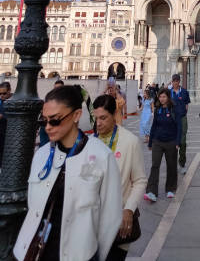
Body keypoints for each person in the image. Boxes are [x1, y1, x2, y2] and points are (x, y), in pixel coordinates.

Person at [14, 85, 122, 261]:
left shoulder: (102, 156)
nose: (48, 127)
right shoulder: (41, 155)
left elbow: (110, 217)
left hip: (79, 254)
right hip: (35, 251)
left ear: (76, 115)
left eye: (55, 120)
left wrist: (92, 252)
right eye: (44, 121)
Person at [93, 95, 147, 261]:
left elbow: (140, 180)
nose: (98, 123)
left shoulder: (130, 142)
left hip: (118, 222)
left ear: (114, 115)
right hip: (92, 221)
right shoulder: (89, 143)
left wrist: (129, 209)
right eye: (96, 118)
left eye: (103, 118)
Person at [144, 88, 182, 202]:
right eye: (160, 97)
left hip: (171, 141)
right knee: (155, 165)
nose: (162, 99)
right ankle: (151, 191)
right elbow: (154, 126)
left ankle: (170, 188)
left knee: (171, 166)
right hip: (158, 141)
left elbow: (179, 126)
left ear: (168, 97)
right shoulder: (158, 109)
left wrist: (178, 142)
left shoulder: (174, 109)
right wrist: (150, 142)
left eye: (164, 97)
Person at [170, 73, 191, 174]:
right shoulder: (169, 92)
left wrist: (184, 113)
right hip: (172, 119)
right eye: (173, 81)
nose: (175, 83)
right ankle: (172, 164)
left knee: (182, 142)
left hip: (182, 118)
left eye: (176, 81)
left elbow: (187, 104)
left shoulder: (184, 92)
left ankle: (182, 164)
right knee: (172, 142)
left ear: (179, 82)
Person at [0, 82, 11, 166]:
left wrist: (2, 117)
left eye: (4, 93)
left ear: (9, 91)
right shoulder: (1, 102)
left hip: (8, 136)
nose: (1, 95)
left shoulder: (14, 102)